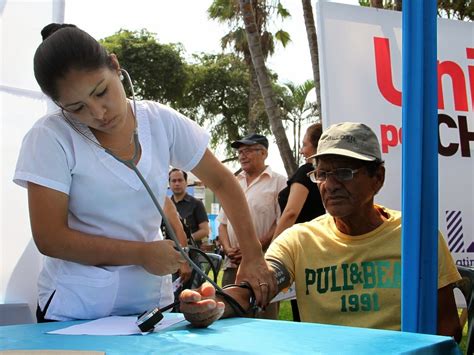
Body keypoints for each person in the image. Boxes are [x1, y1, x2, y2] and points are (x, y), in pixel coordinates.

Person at [13, 23, 275, 321]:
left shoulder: (161, 121)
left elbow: (222, 182)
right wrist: (141, 253)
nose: (98, 113)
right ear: (59, 106)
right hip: (75, 308)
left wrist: (253, 255)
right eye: (77, 108)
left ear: (115, 65)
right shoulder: (50, 137)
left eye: (101, 92)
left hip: (149, 305)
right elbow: (51, 238)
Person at [179, 122, 462, 342]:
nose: (331, 184)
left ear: (378, 178)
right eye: (323, 174)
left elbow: (448, 328)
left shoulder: (415, 237)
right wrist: (214, 304)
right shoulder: (300, 240)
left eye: (345, 172)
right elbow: (257, 286)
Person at [218, 133, 286, 319]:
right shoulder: (233, 182)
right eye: (240, 152)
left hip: (262, 265)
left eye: (248, 150)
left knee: (264, 320)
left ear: (263, 153)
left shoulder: (279, 182)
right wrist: (228, 249)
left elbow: (281, 223)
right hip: (232, 265)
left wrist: (252, 249)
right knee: (229, 319)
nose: (242, 155)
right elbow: (222, 224)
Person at [273, 123, 325, 321]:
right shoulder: (324, 176)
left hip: (302, 250)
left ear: (316, 146)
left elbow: (290, 213)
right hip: (318, 247)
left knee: (302, 312)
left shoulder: (306, 172)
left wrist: (273, 249)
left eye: (305, 145)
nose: (302, 150)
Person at [169, 168, 210, 248]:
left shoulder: (197, 203)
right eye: (174, 181)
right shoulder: (165, 205)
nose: (177, 183)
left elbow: (205, 230)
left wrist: (186, 239)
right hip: (170, 251)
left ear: (186, 183)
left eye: (180, 180)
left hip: (192, 252)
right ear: (169, 184)